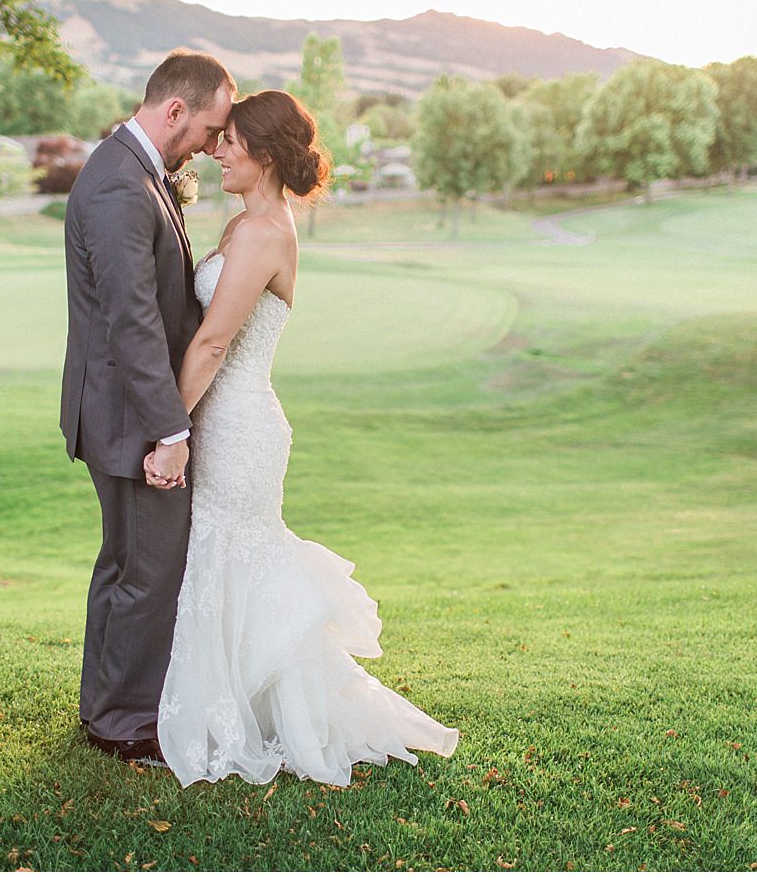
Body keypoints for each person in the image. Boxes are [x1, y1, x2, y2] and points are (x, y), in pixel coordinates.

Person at [149, 90, 460, 786]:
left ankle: (265, 716)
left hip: (240, 425)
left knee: (237, 557)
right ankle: (236, 706)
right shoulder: (244, 223)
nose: (216, 150)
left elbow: (213, 344)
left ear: (261, 153)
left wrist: (167, 432)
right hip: (225, 418)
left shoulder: (263, 234)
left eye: (228, 141)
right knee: (220, 559)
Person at [60, 49, 236, 765]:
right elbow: (132, 320)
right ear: (174, 111)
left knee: (125, 563)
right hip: (131, 418)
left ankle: (104, 707)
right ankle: (125, 724)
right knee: (149, 570)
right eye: (209, 129)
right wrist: (171, 430)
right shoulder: (120, 188)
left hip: (118, 409)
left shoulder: (132, 172)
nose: (211, 145)